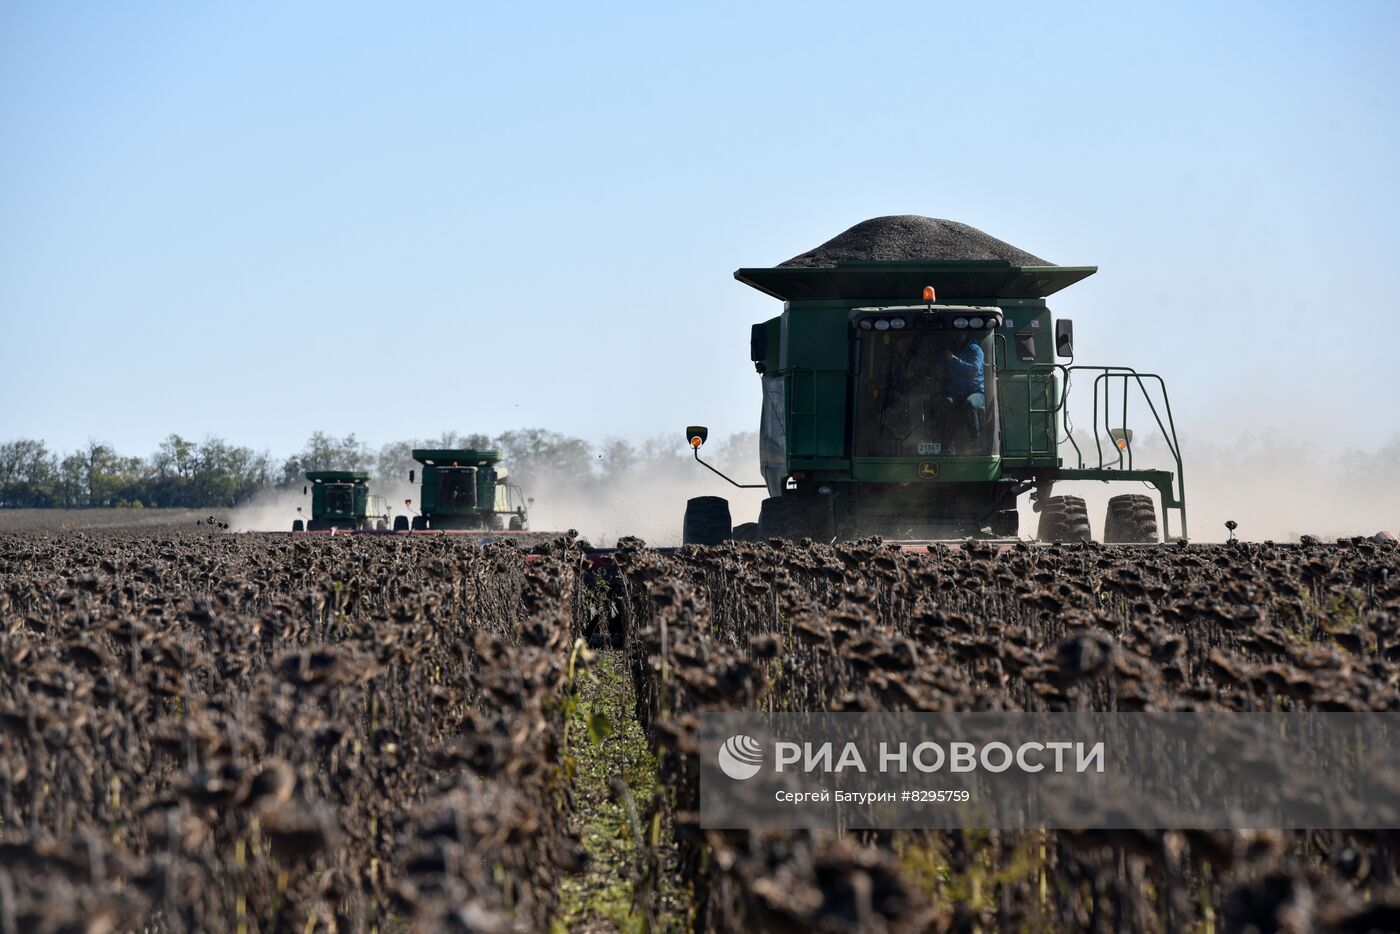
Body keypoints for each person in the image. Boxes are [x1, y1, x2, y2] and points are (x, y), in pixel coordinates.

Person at [940, 338, 986, 452]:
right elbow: (938, 370)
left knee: (970, 403)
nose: (957, 335)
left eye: (961, 332)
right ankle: (946, 443)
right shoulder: (948, 351)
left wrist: (954, 359)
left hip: (976, 393)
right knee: (945, 403)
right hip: (957, 394)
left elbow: (973, 370)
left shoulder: (975, 350)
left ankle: (974, 441)